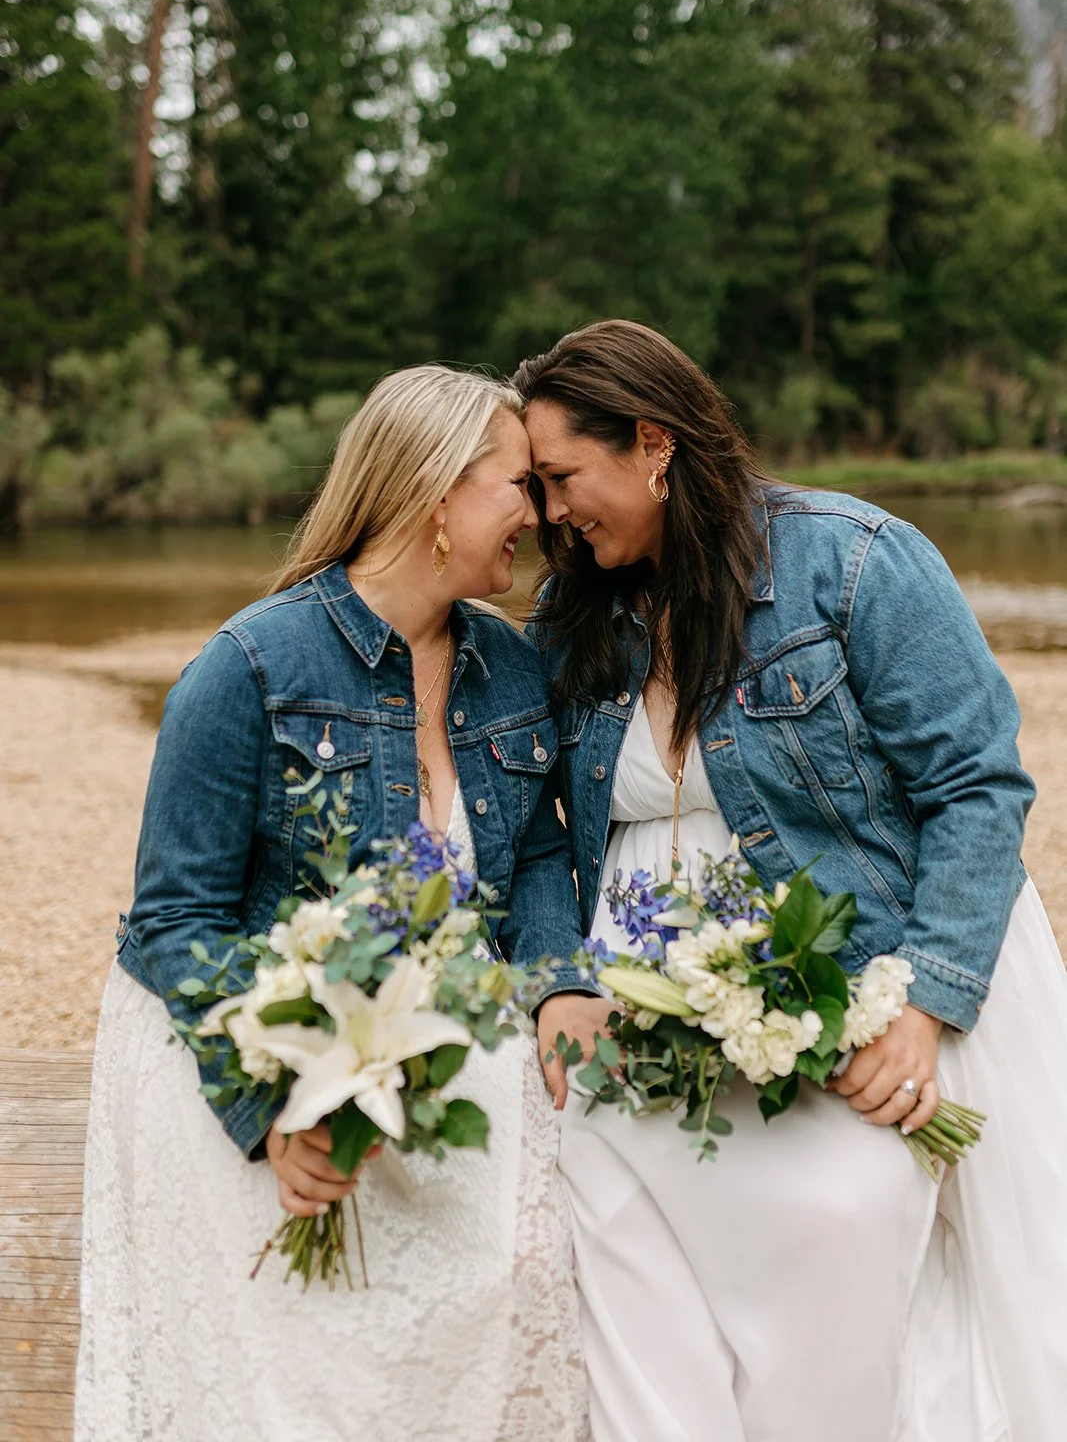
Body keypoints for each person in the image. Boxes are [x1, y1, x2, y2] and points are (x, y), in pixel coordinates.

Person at [517, 319, 1067, 1442]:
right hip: (641, 1016)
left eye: (564, 476)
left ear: (652, 444)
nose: (550, 511)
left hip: (862, 971)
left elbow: (975, 788)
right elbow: (533, 832)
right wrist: (556, 981)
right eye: (531, 486)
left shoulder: (856, 560)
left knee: (851, 1238)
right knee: (615, 1240)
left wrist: (922, 1004)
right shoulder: (569, 612)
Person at [75, 365, 590, 1442]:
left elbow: (540, 855)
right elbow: (175, 920)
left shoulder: (511, 664)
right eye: (516, 487)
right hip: (279, 1053)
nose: (539, 519)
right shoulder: (247, 669)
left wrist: (557, 985)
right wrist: (274, 1112)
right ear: (434, 498)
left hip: (449, 1044)